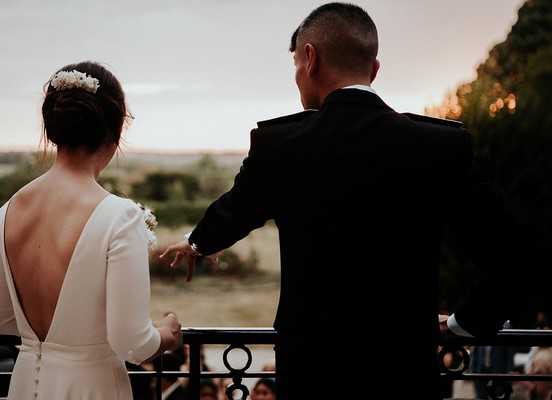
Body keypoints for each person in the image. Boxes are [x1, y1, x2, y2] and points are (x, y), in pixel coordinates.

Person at [161, 3, 541, 398]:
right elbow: (514, 257)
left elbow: (236, 210)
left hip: (313, 376)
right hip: (404, 376)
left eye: (295, 64)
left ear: (309, 58)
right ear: (373, 69)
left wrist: (197, 243)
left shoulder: (281, 147)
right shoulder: (439, 147)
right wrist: (464, 324)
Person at [0, 61, 182, 400]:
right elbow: (132, 342)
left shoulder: (9, 211)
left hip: (25, 383)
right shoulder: (120, 216)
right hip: (92, 387)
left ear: (52, 130)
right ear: (115, 131)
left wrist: (51, 345)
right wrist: (166, 333)